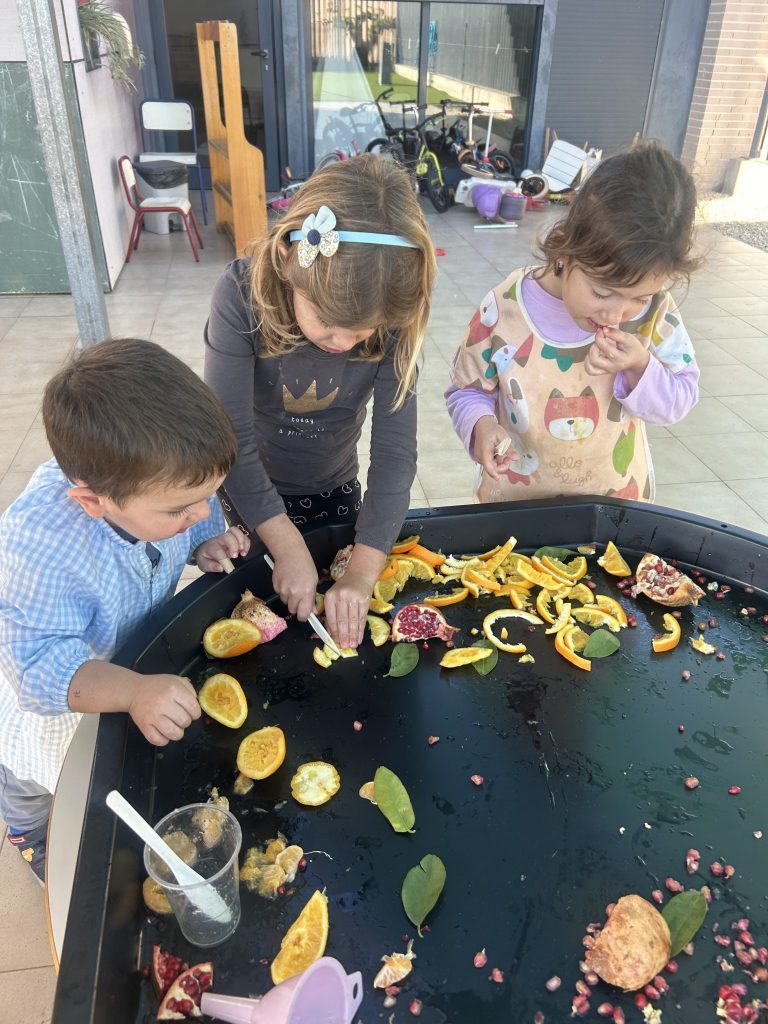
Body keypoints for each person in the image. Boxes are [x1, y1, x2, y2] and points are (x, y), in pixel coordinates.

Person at [0, 339, 249, 883]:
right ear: (93, 502)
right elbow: (39, 671)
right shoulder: (39, 548)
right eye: (180, 509)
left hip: (127, 654)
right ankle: (25, 830)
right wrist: (134, 691)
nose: (201, 511)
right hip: (60, 691)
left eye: (208, 495)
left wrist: (202, 543)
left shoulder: (160, 484)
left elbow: (190, 516)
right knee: (33, 779)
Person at [205, 154, 436, 650]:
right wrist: (284, 542)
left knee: (327, 607)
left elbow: (394, 456)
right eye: (328, 323)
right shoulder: (240, 295)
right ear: (289, 258)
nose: (343, 343)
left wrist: (364, 571)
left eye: (363, 331)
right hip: (249, 489)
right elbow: (229, 438)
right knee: (263, 613)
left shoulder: (394, 317)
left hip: (333, 486)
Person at [446, 140, 702, 504]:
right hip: (515, 508)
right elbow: (466, 390)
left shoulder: (656, 315)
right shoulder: (503, 309)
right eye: (602, 292)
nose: (616, 316)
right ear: (564, 248)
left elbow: (679, 400)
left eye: (639, 298)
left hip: (613, 507)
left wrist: (639, 368)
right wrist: (481, 426)